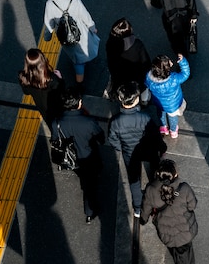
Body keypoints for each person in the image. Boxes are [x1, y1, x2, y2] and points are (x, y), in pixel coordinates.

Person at [108, 82, 167, 217]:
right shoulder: (146, 118)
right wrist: (162, 147)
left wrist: (121, 148)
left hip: (129, 153)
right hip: (148, 149)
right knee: (155, 167)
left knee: (134, 180)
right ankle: (156, 194)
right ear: (136, 99)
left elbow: (113, 140)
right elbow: (156, 136)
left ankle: (137, 208)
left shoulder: (115, 121)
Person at [52, 88, 104, 223]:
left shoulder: (57, 122)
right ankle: (90, 211)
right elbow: (100, 138)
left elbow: (55, 139)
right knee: (90, 186)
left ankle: (89, 212)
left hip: (71, 157)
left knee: (87, 181)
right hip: (88, 157)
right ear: (78, 104)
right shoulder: (88, 122)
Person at [43, 0, 100, 88]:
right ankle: (83, 71)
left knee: (77, 60)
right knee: (84, 51)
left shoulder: (50, 4)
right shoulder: (75, 0)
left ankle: (79, 84)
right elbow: (86, 17)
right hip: (81, 34)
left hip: (66, 38)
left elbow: (49, 25)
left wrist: (47, 37)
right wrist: (93, 28)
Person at [140, 159, 198, 264]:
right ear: (175, 174)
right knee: (185, 255)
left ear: (158, 174)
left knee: (178, 252)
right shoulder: (184, 188)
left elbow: (145, 210)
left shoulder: (150, 189)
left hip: (166, 233)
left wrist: (143, 220)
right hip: (186, 230)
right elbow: (192, 205)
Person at [18, 48, 66, 129]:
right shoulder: (52, 79)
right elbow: (62, 92)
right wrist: (60, 79)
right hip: (57, 108)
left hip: (43, 109)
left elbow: (26, 92)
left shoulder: (23, 77)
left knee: (51, 125)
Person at [105, 18, 152, 99]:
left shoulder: (110, 44)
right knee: (140, 92)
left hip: (119, 78)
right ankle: (143, 101)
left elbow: (111, 63)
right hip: (136, 77)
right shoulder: (137, 44)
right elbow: (146, 63)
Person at [145, 54, 190, 138]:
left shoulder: (148, 78)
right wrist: (183, 62)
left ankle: (163, 127)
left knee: (161, 114)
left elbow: (145, 83)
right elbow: (185, 74)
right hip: (173, 104)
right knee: (173, 117)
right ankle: (173, 131)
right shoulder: (174, 79)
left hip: (158, 103)